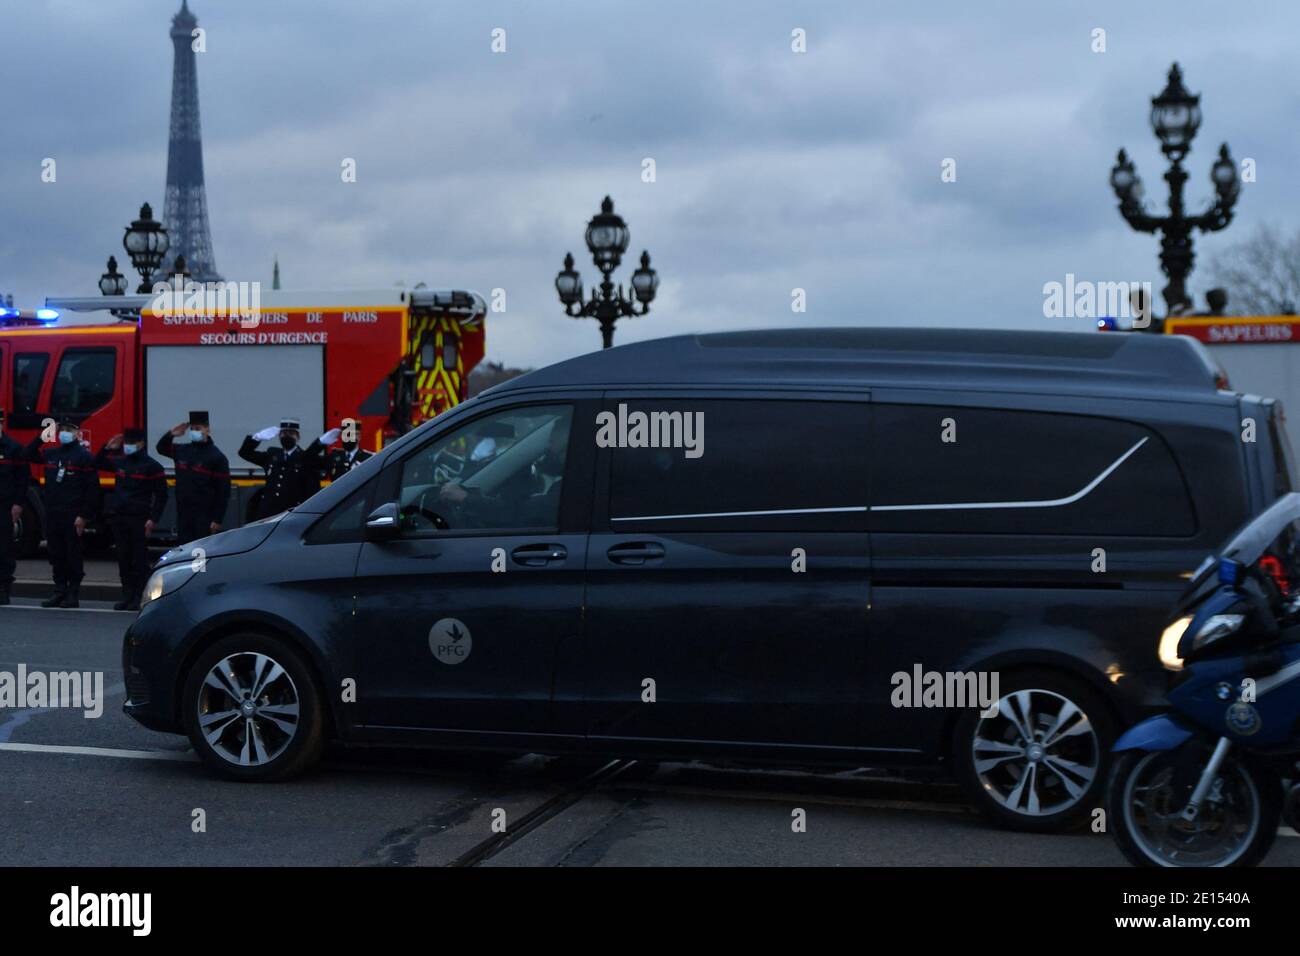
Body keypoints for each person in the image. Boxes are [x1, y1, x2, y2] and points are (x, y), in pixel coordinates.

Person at [24, 417, 97, 608]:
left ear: (77, 433)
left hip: (72, 514)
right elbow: (28, 453)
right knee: (55, 553)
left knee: (72, 553)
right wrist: (42, 437)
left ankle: (73, 593)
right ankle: (59, 590)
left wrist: (84, 515)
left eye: (70, 429)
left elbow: (92, 489)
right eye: (62, 429)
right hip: (53, 512)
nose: (65, 433)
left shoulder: (84, 457)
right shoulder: (51, 454)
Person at [96, 428, 168, 611]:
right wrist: (107, 447)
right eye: (126, 442)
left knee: (139, 560)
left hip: (139, 518)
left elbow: (161, 496)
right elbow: (97, 462)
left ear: (141, 444)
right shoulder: (120, 462)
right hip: (119, 517)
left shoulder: (152, 467)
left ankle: (140, 596)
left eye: (131, 442)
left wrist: (153, 519)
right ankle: (127, 596)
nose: (127, 446)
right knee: (123, 558)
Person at [156, 410, 231, 544]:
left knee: (199, 554)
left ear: (207, 429)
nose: (194, 431)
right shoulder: (182, 450)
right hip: (184, 513)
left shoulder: (216, 457)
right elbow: (161, 448)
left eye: (198, 428)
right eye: (192, 429)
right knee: (184, 551)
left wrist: (217, 519)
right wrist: (171, 434)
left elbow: (223, 491)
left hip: (204, 515)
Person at [239, 417, 325, 519]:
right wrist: (257, 437)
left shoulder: (304, 458)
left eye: (291, 434)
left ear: (297, 437)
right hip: (269, 512)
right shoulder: (272, 455)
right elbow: (244, 453)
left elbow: (311, 488)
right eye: (284, 433)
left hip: (291, 512)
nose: (286, 437)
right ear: (279, 436)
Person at [0, 409, 30, 606]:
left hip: (4, 505)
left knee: (4, 549)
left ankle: (3, 589)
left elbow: (23, 479)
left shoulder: (13, 448)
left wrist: (18, 503)